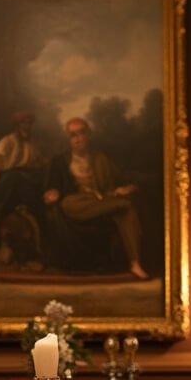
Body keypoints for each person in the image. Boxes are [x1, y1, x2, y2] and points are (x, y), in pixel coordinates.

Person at [43, 117, 148, 278]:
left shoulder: (101, 158)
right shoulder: (60, 161)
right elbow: (52, 186)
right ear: (68, 139)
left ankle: (135, 263)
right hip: (78, 204)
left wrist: (128, 187)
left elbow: (120, 179)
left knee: (126, 210)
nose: (78, 139)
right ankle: (114, 203)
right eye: (73, 135)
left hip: (102, 200)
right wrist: (52, 193)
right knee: (68, 203)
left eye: (81, 133)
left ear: (89, 135)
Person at [0, 110, 46, 263]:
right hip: (12, 180)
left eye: (29, 122)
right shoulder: (8, 140)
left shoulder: (35, 143)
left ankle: (40, 249)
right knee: (12, 182)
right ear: (17, 125)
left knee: (41, 206)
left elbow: (40, 163)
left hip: (31, 181)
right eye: (23, 122)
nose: (26, 125)